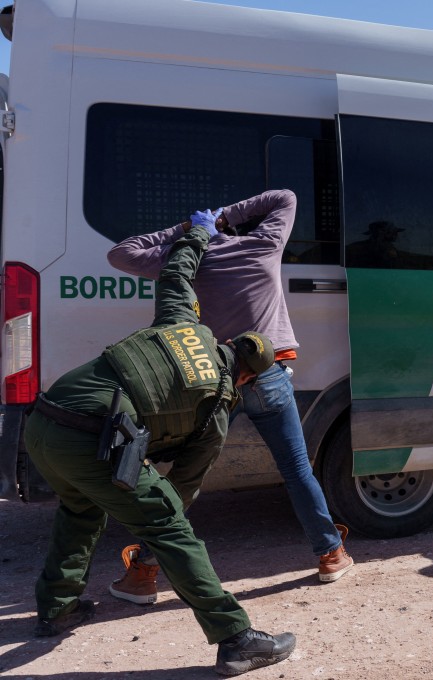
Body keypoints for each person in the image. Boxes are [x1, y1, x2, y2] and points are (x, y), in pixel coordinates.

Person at [27, 216, 295, 676]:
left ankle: (59, 607)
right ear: (247, 376)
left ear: (229, 342)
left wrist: (198, 233)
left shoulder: (182, 322)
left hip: (43, 421)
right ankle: (236, 639)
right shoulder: (217, 407)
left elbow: (176, 272)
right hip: (90, 435)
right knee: (171, 526)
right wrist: (160, 527)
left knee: (80, 508)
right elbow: (185, 486)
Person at [107, 190, 353, 602]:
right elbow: (285, 197)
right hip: (268, 376)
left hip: (214, 382)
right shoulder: (264, 245)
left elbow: (122, 253)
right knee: (296, 471)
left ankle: (143, 574)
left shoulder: (190, 257)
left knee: (186, 478)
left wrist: (190, 228)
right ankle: (331, 554)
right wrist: (225, 213)